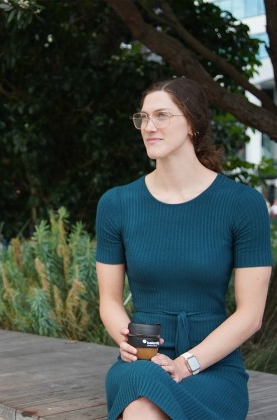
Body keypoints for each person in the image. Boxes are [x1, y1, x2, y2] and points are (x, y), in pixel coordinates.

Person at [95, 77, 272, 420]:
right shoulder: (117, 204)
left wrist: (185, 364)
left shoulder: (242, 204)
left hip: (213, 365)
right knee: (143, 403)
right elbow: (109, 301)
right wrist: (134, 345)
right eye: (143, 118)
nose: (149, 126)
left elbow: (250, 316)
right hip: (142, 360)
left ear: (192, 122)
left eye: (162, 115)